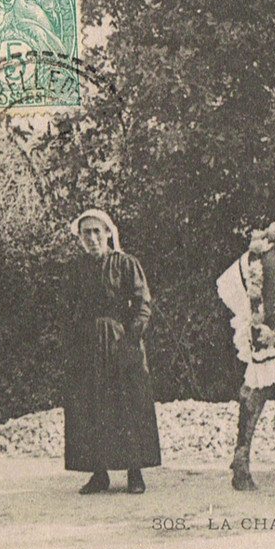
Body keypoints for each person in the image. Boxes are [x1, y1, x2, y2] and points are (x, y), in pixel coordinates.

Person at [64, 209, 161, 494]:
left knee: (129, 403)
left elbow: (143, 303)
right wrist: (72, 344)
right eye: (86, 233)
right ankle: (99, 473)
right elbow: (67, 310)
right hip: (87, 346)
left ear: (108, 233)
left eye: (97, 231)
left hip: (122, 342)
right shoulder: (75, 269)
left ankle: (135, 471)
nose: (92, 238)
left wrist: (132, 338)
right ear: (79, 238)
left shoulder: (126, 264)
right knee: (92, 405)